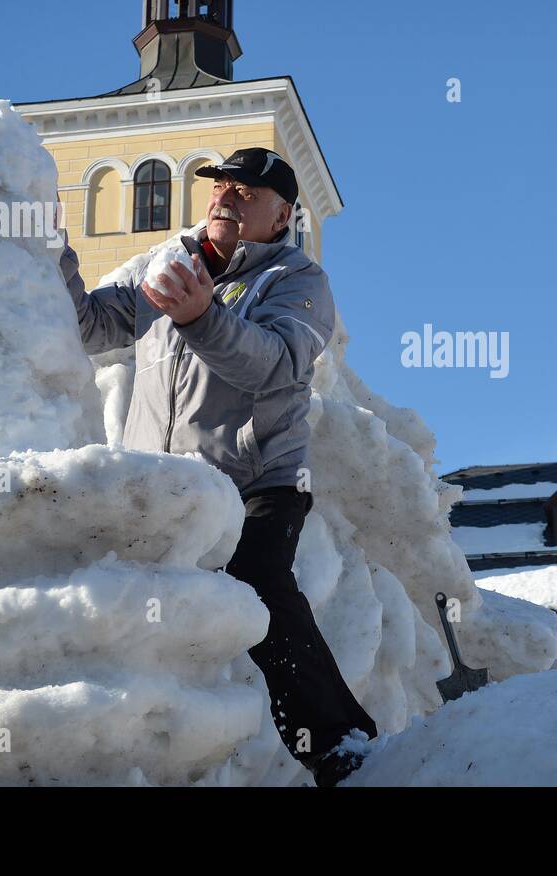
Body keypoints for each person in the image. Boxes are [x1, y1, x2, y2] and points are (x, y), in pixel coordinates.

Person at [60, 147, 376, 786]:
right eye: (222, 185)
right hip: (167, 491)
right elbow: (91, 328)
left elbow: (277, 364)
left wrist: (203, 318)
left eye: (247, 192)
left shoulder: (297, 279)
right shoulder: (166, 267)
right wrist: (54, 253)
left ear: (282, 215)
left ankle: (341, 745)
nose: (227, 197)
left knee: (257, 580)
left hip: (260, 484)